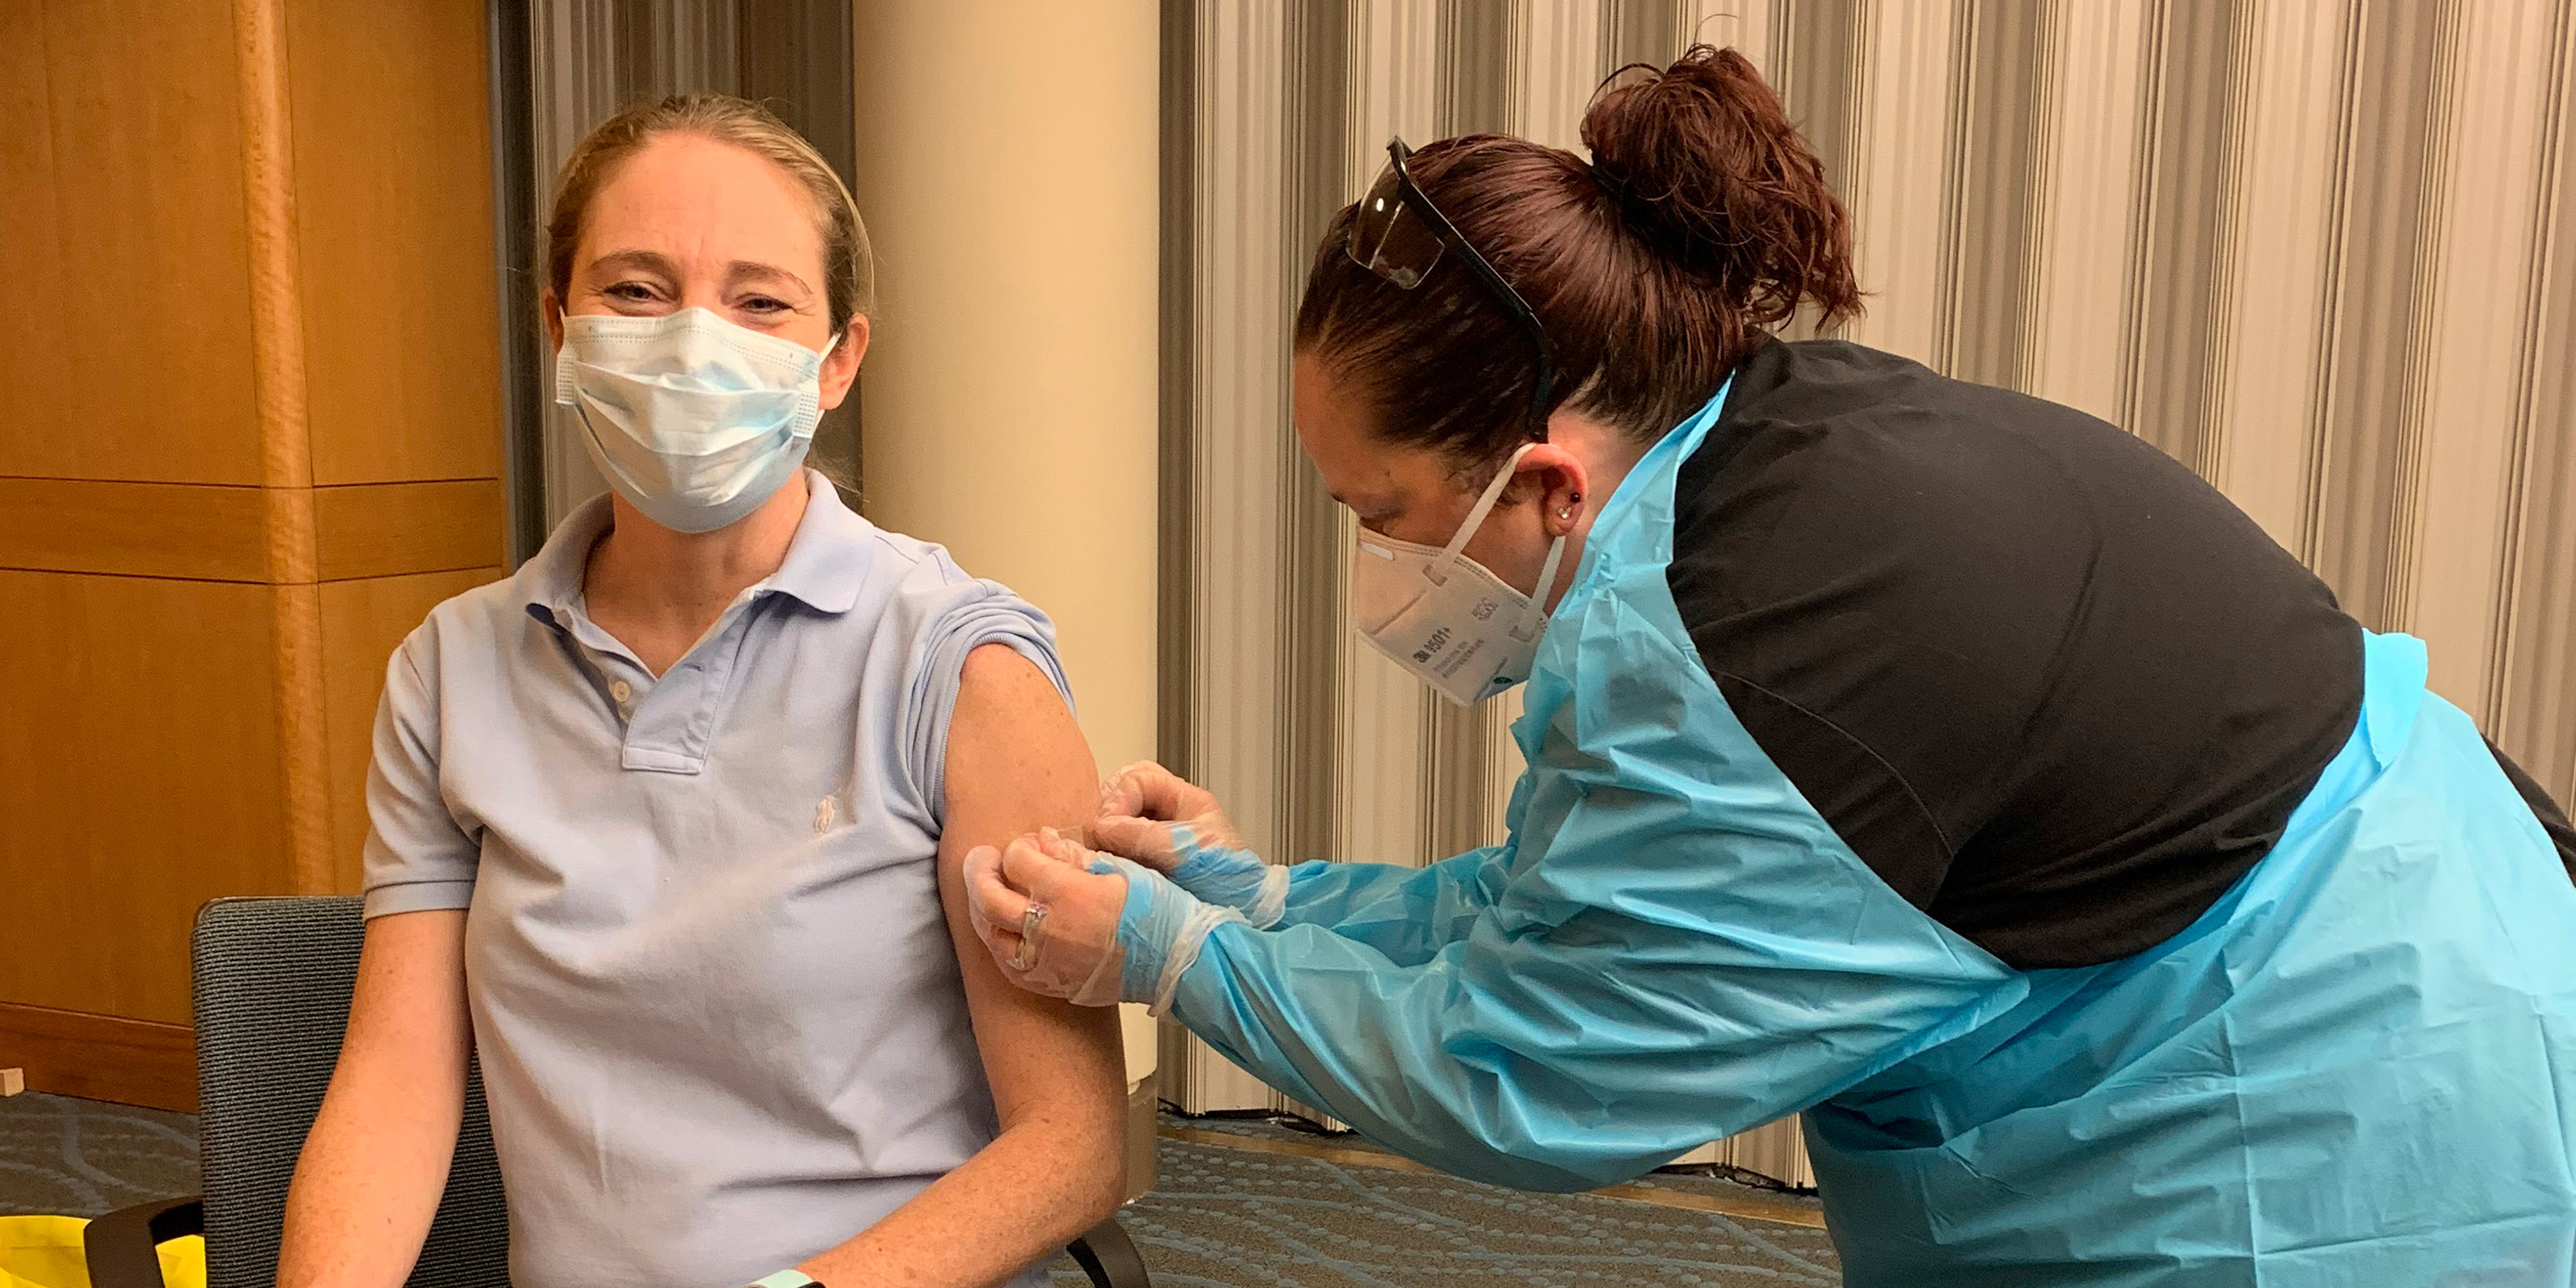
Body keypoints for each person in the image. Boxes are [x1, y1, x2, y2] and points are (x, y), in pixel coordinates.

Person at [963, 47, 2576, 1287]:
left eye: (1379, 514)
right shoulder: (1764, 455)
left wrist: (1178, 962)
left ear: (1542, 484)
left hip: (2323, 1103)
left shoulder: (1742, 656)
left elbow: (1524, 1074)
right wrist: (1265, 898)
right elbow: (1565, 910)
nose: (1372, 567)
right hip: (2424, 899)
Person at [278, 95, 1126, 1288]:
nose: (692, 340)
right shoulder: (449, 670)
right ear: (558, 327)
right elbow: (397, 1086)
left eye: (760, 300)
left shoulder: (959, 667)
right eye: (633, 290)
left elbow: (1074, 1146)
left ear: (838, 363)